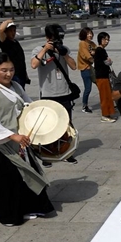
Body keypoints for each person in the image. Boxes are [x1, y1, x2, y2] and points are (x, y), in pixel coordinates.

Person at [0, 52, 54, 225]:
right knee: (6, 180)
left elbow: (29, 105)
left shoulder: (16, 86)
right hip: (3, 141)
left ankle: (31, 207)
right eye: (3, 70)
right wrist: (12, 136)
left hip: (22, 137)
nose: (8, 74)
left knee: (26, 174)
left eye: (11, 70)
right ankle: (8, 215)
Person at [30, 24, 78, 164]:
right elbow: (33, 65)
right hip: (48, 93)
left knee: (66, 124)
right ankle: (46, 153)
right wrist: (45, 49)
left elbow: (74, 66)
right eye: (54, 39)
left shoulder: (64, 49)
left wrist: (64, 53)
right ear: (47, 38)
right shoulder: (39, 49)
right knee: (47, 125)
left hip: (64, 92)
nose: (57, 41)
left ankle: (67, 152)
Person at [0, 20, 29, 89]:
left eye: (14, 30)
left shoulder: (15, 42)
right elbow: (0, 30)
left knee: (22, 93)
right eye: (10, 31)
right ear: (6, 32)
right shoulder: (5, 42)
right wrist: (7, 21)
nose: (13, 33)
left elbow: (20, 59)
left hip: (21, 73)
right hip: (13, 74)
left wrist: (25, 73)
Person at [93, 31, 116, 122]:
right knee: (105, 96)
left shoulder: (99, 50)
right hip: (102, 76)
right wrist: (110, 61)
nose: (106, 41)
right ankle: (105, 115)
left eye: (108, 39)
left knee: (107, 95)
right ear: (100, 40)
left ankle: (108, 114)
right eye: (105, 39)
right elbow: (107, 62)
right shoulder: (100, 50)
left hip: (103, 76)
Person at [76, 27, 96, 114]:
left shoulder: (92, 44)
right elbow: (87, 56)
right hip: (85, 69)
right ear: (84, 35)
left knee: (102, 85)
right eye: (88, 34)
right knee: (88, 88)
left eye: (91, 33)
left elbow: (98, 51)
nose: (90, 35)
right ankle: (84, 106)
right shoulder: (82, 44)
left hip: (93, 69)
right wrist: (94, 59)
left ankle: (107, 102)